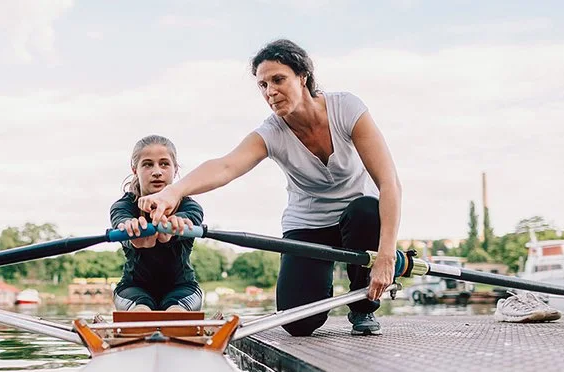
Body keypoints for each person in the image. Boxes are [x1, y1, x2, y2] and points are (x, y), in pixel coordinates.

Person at [138, 39, 402, 336]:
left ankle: (363, 308)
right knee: (298, 325)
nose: (270, 92)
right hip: (308, 225)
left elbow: (389, 183)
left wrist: (386, 254)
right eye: (263, 85)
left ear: (303, 77)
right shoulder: (272, 132)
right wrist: (174, 191)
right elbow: (225, 166)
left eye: (278, 80)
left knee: (367, 209)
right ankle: (319, 289)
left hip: (357, 218)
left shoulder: (347, 108)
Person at [110, 135, 204, 312]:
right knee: (142, 311)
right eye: (147, 164)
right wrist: (132, 231)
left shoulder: (190, 207)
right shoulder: (123, 206)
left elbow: (175, 228)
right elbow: (122, 222)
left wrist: (172, 227)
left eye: (164, 164)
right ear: (134, 169)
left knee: (175, 312)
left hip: (182, 289)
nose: (157, 172)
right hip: (133, 289)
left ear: (175, 169)